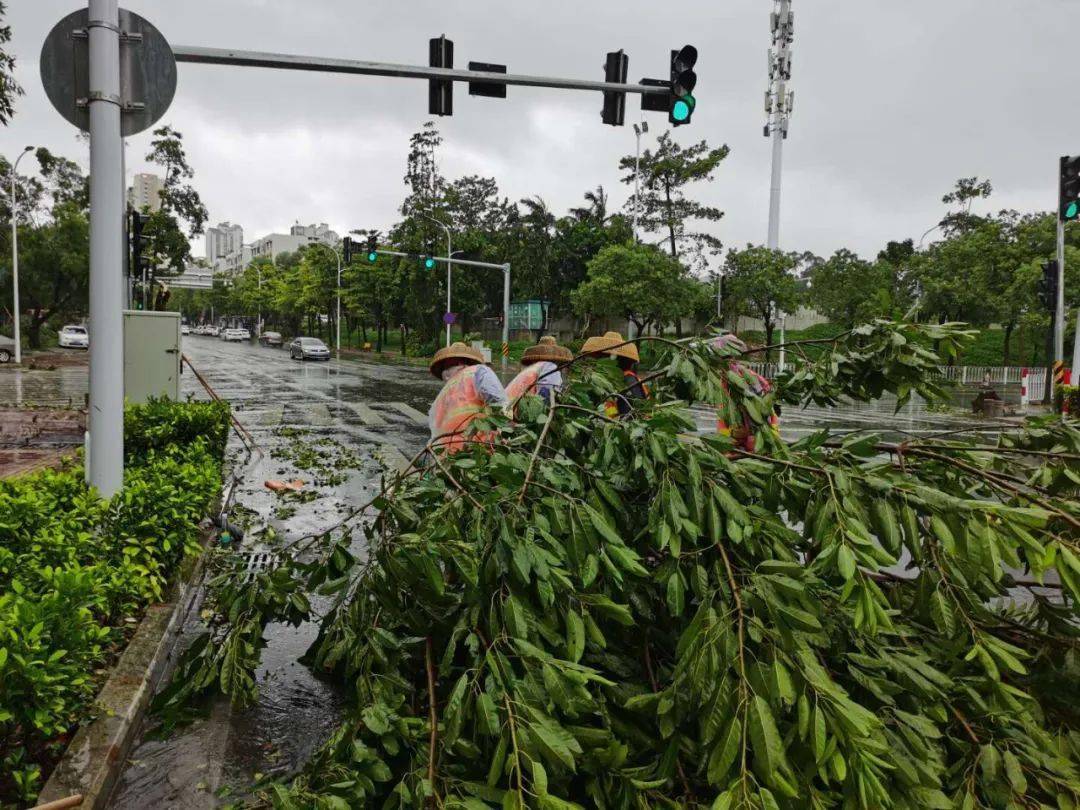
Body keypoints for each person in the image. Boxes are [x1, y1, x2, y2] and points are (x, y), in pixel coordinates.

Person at [427, 342, 508, 453]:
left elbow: (435, 434)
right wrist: (508, 432)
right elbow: (500, 406)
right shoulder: (479, 371)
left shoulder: (441, 398)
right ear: (466, 363)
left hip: (448, 457)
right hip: (478, 451)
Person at [710, 333, 779, 452]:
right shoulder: (722, 381)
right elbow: (724, 415)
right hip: (739, 434)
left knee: (756, 448)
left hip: (759, 432)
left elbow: (764, 406)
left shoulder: (747, 377)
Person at [580, 331, 649, 418]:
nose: (598, 362)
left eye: (602, 358)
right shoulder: (609, 380)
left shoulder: (627, 380)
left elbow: (629, 411)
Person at [505, 336, 573, 407]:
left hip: (508, 405)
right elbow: (548, 392)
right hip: (516, 408)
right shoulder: (550, 366)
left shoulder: (534, 368)